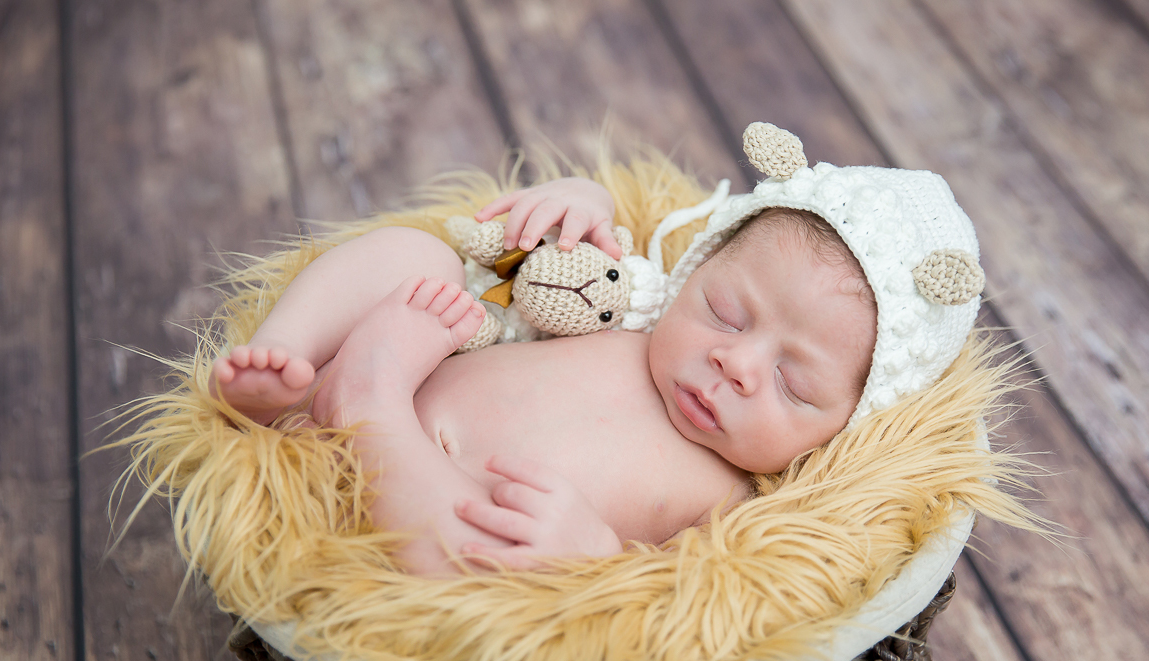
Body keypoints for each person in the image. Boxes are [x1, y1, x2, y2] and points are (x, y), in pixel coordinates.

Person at [208, 122, 984, 575]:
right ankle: (289, 362)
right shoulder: (632, 319)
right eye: (723, 311)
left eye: (795, 384)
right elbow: (544, 268)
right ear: (691, 271)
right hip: (399, 371)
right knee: (421, 260)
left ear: (849, 423)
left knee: (480, 564)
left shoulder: (735, 506)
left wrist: (594, 550)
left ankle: (364, 403)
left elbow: (675, 610)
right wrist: (582, 203)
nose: (736, 366)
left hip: (410, 504)